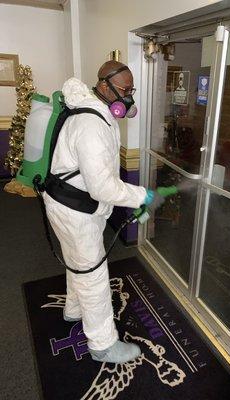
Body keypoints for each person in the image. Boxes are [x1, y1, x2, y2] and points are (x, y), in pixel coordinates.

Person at [43, 61, 156, 364]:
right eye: (124, 90)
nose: (129, 99)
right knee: (92, 272)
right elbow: (103, 187)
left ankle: (73, 309)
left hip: (64, 202)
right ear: (104, 86)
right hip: (75, 209)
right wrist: (140, 194)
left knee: (76, 261)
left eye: (132, 90)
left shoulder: (95, 112)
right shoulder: (91, 123)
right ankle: (103, 344)